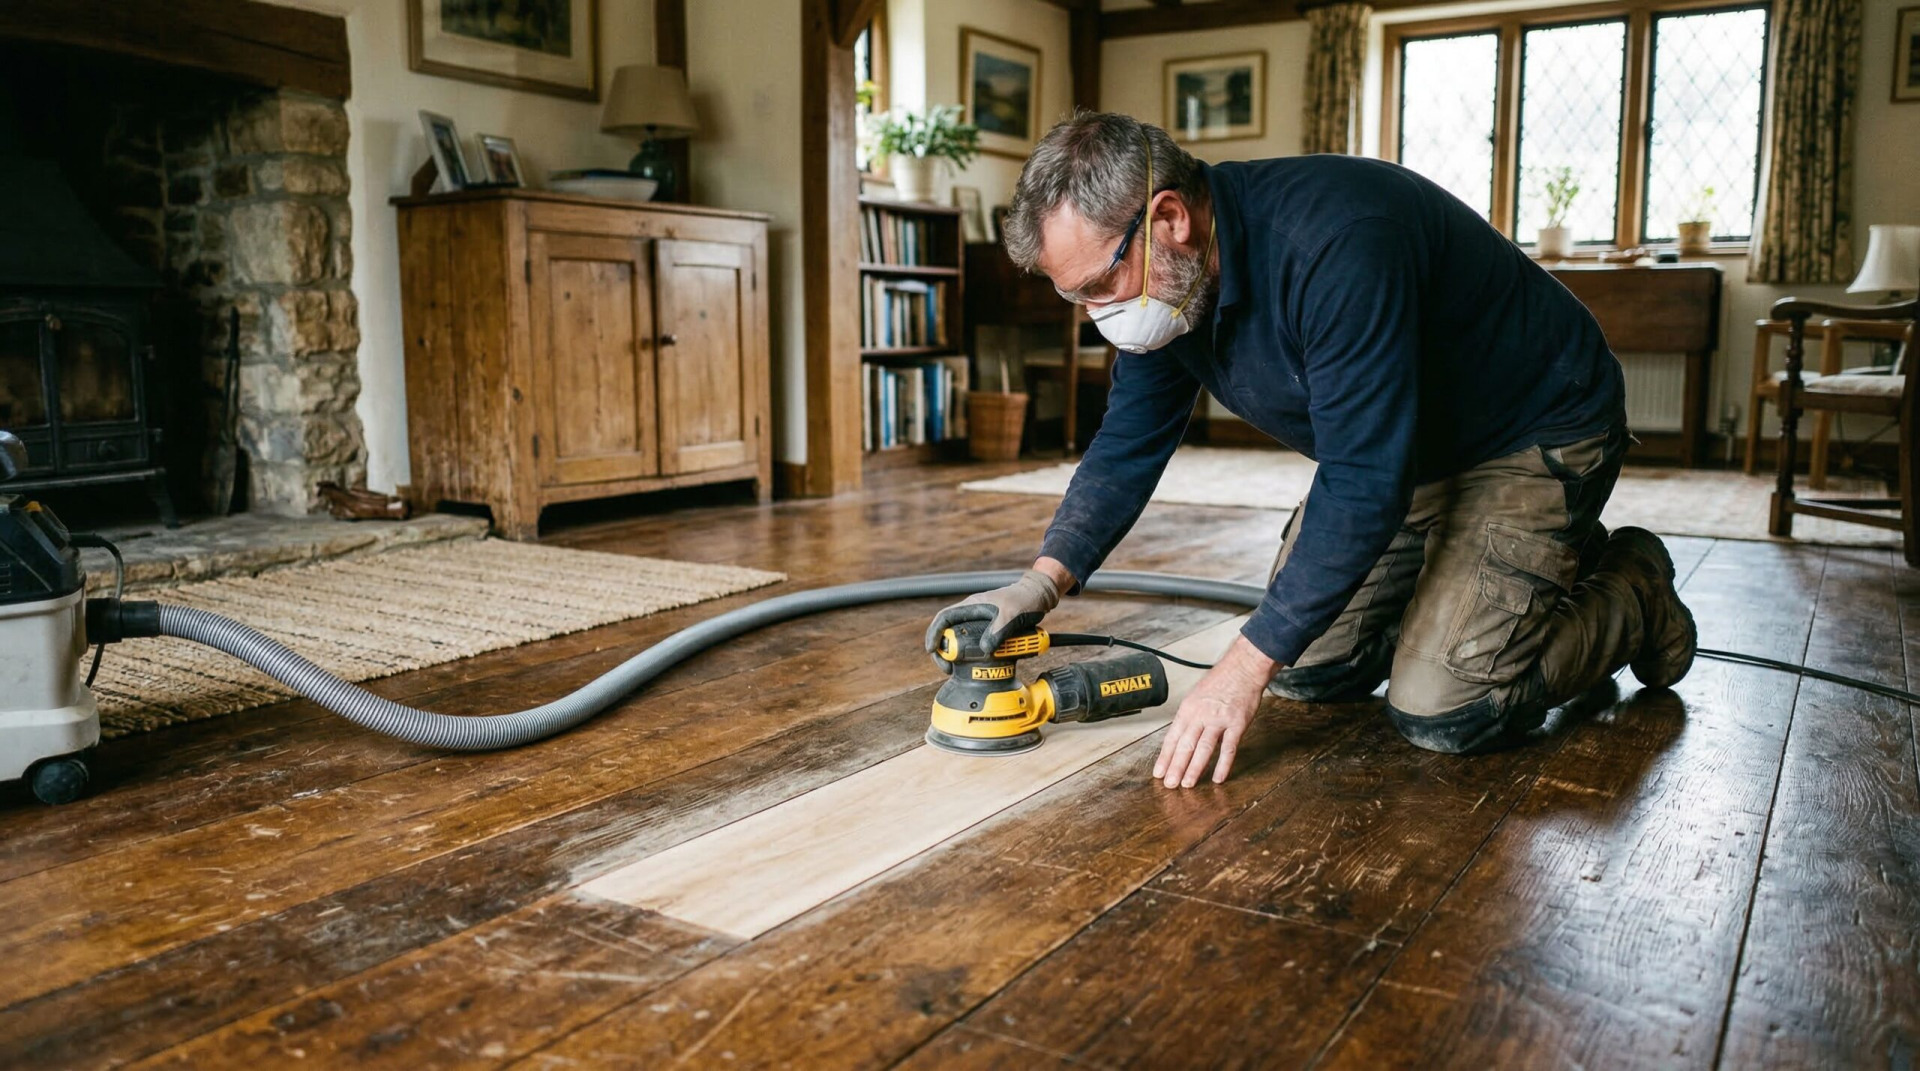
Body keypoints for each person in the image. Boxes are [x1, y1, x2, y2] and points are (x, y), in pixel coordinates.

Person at [924, 112, 1696, 789]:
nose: (1098, 314)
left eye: (1098, 285)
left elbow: (1363, 479)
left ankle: (1632, 585)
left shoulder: (1337, 242)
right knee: (1313, 668)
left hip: (1533, 427)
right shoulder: (1170, 288)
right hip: (1409, 448)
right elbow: (1127, 443)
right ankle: (1491, 584)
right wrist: (1040, 584)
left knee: (1444, 706)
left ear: (1169, 219)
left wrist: (1237, 671)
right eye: (1076, 296)